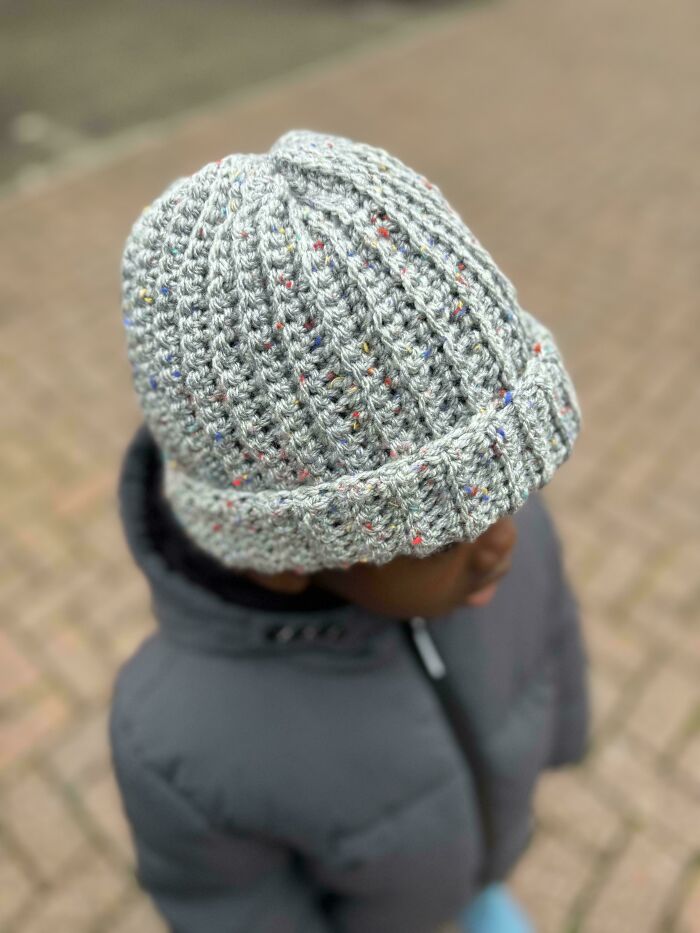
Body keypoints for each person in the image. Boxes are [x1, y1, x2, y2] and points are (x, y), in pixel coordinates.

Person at [110, 128, 589, 933]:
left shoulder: (504, 546)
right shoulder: (183, 740)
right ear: (282, 561)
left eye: (511, 485)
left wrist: (563, 735)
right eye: (440, 525)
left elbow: (553, 638)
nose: (503, 533)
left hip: (477, 870)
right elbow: (229, 907)